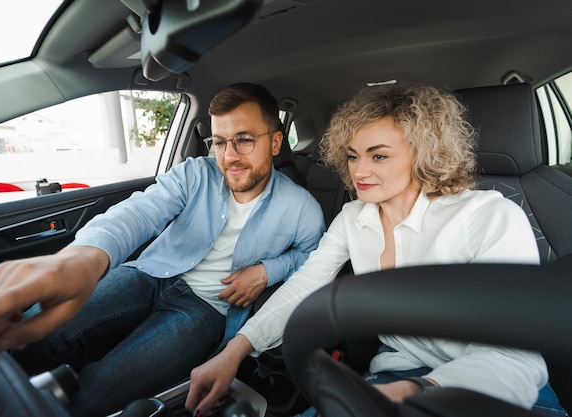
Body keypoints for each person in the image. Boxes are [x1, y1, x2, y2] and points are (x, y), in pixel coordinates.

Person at [186, 84, 568, 417]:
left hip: (499, 391)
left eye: (379, 155)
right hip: (392, 375)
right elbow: (306, 284)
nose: (359, 171)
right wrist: (232, 353)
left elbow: (513, 357)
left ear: (423, 154)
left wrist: (416, 394)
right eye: (353, 155)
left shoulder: (489, 215)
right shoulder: (353, 217)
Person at [0, 82, 325, 416]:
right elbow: (140, 211)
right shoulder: (196, 173)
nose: (229, 156)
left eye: (244, 139)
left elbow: (311, 260)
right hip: (150, 273)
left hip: (207, 307)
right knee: (36, 332)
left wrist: (266, 272)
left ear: (275, 142)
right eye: (220, 142)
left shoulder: (302, 207)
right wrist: (85, 258)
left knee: (105, 387)